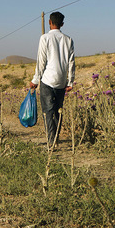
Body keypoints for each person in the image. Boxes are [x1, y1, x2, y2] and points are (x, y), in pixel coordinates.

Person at [29, 11, 75, 147]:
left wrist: (35, 80)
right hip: (61, 81)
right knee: (58, 111)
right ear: (62, 24)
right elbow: (71, 62)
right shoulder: (68, 40)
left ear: (49, 22)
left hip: (47, 80)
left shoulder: (44, 38)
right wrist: (70, 81)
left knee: (48, 112)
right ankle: (55, 138)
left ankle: (51, 141)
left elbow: (41, 61)